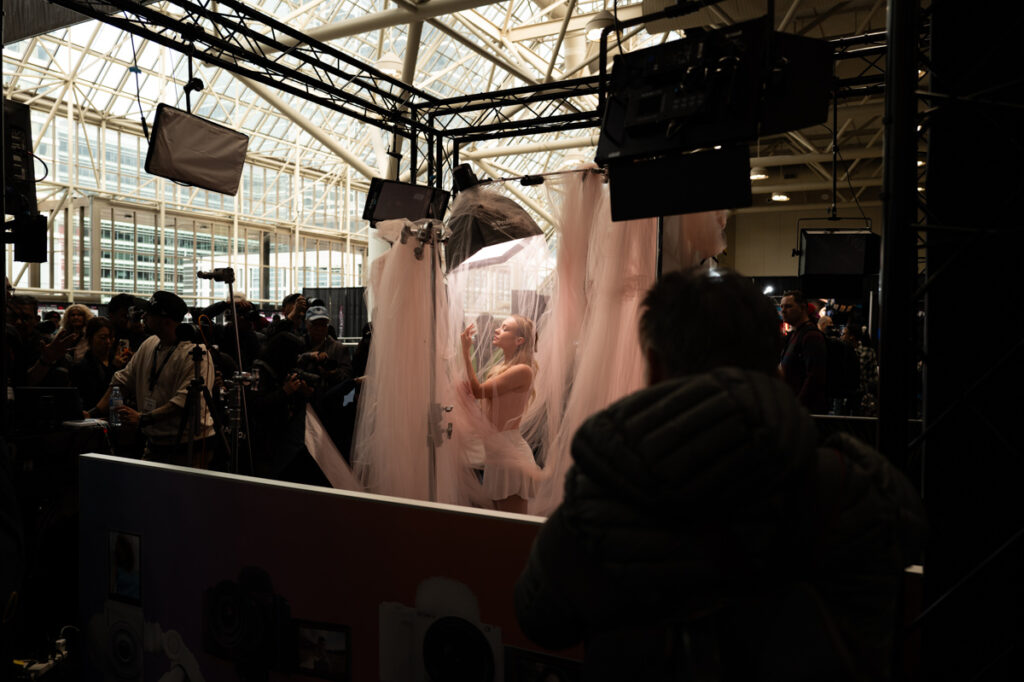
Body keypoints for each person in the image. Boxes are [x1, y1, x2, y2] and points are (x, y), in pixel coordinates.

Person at [514, 268, 926, 681]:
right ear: (773, 363)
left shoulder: (604, 490)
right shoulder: (855, 486)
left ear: (654, 367)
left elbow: (540, 619)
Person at [89, 291, 218, 467]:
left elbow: (185, 402)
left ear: (165, 320)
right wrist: (92, 414)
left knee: (181, 493)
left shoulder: (196, 353)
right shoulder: (150, 344)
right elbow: (122, 380)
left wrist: (143, 418)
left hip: (188, 445)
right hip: (154, 443)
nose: (144, 316)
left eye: (149, 313)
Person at [460, 314, 539, 514]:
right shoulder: (499, 370)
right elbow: (485, 407)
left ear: (519, 340)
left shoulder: (523, 370)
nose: (497, 330)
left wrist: (465, 351)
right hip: (496, 454)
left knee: (513, 529)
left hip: (510, 455)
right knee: (501, 526)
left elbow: (479, 391)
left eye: (505, 328)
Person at [779, 289, 828, 413]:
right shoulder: (794, 335)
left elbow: (814, 377)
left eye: (788, 306)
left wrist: (797, 406)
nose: (783, 310)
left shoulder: (811, 336)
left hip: (806, 412)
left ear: (803, 308)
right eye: (782, 306)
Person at [70, 316, 130, 408]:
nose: (108, 341)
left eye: (111, 337)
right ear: (90, 338)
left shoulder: (117, 359)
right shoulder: (82, 366)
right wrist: (113, 368)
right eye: (103, 337)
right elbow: (97, 395)